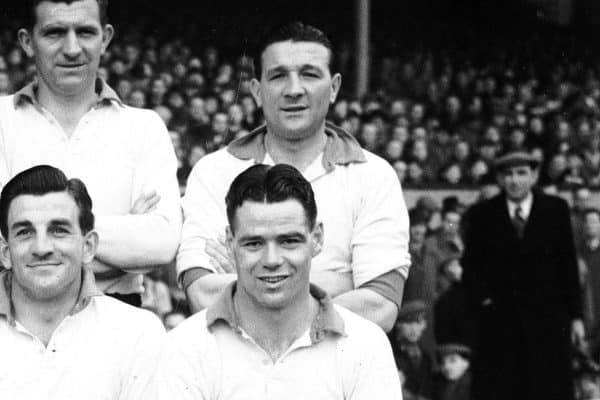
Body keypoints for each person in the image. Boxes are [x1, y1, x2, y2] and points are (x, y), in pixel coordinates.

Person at [177, 21, 409, 331]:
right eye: (278, 76)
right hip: (236, 368)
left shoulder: (374, 176)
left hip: (337, 369)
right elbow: (202, 292)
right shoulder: (213, 172)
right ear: (257, 91)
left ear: (335, 87)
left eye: (310, 74)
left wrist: (248, 277)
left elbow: (380, 306)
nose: (294, 89)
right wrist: (341, 282)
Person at [150, 164, 401, 399]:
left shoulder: (365, 345)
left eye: (289, 241)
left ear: (317, 238)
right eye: (254, 243)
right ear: (229, 243)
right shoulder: (184, 346)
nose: (271, 259)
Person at [0, 0, 182, 306]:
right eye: (55, 33)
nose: (72, 49)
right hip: (13, 319)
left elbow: (161, 242)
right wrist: (124, 230)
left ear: (105, 38)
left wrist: (31, 234)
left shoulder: (144, 126)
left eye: (85, 32)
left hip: (118, 314)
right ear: (27, 42)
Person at [0, 165, 164, 399]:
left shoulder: (137, 333)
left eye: (58, 230)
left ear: (88, 247)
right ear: (5, 252)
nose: (42, 248)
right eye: (25, 232)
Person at [462, 150, 584, 400]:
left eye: (521, 173)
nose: (514, 180)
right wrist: (485, 301)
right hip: (500, 321)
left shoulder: (556, 210)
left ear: (534, 175)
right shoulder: (482, 214)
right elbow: (471, 268)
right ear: (499, 179)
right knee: (503, 386)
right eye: (508, 174)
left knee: (547, 385)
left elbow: (568, 266)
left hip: (548, 319)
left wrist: (576, 316)